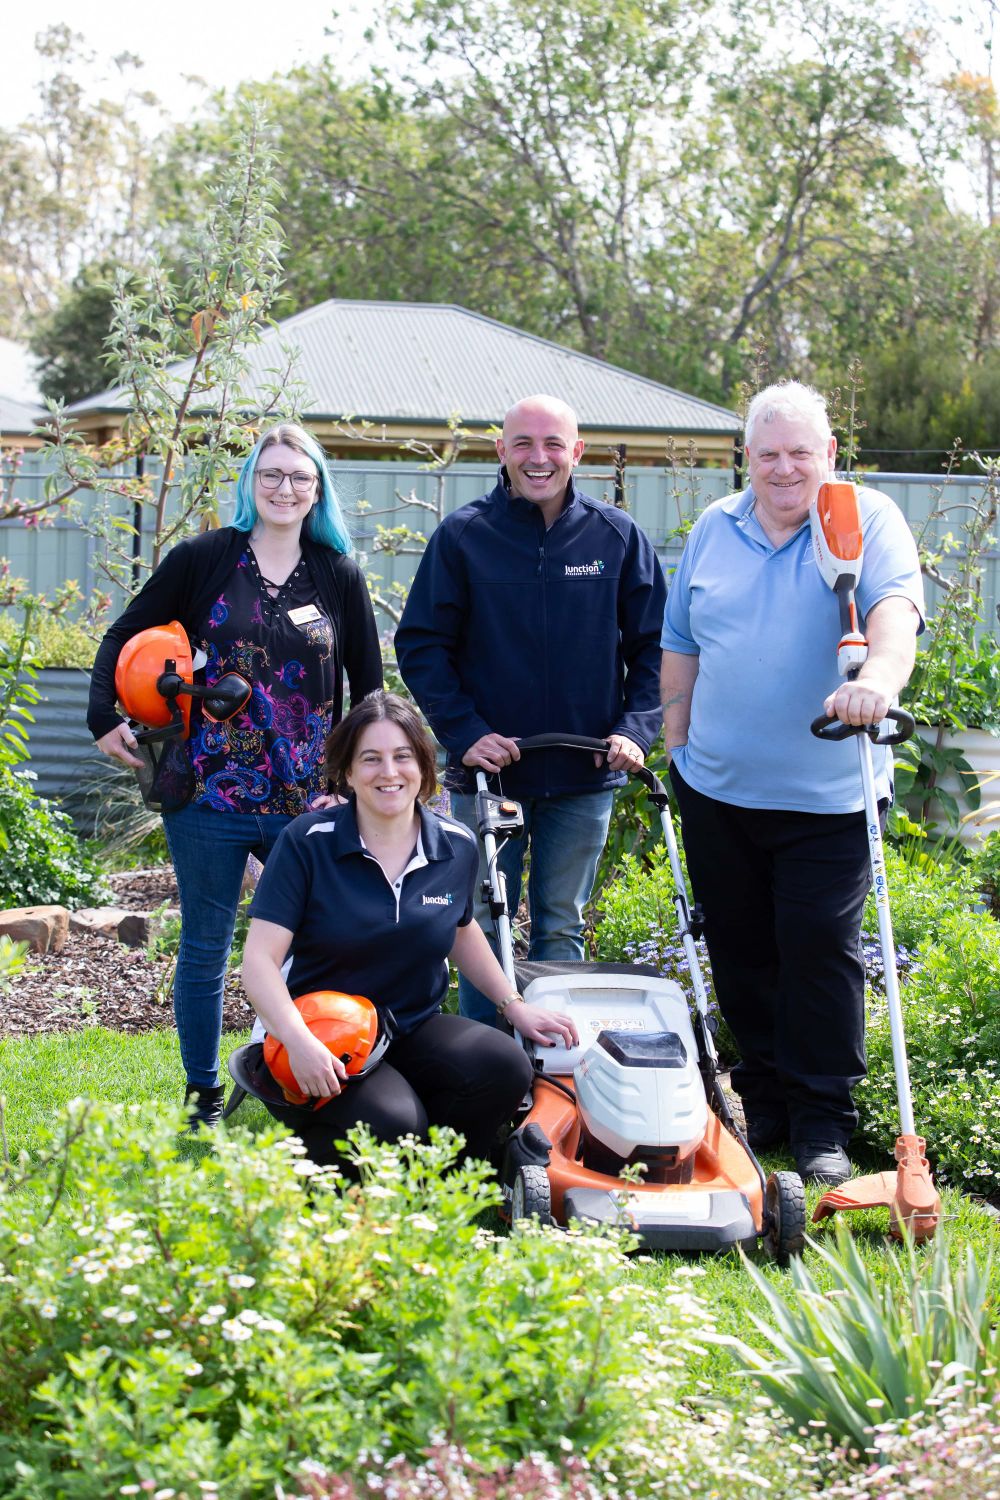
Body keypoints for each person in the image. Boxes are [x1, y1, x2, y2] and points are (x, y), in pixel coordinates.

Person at [659, 380, 924, 1186]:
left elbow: (895, 613)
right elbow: (681, 639)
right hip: (717, 789)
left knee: (817, 950)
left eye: (799, 453)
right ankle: (764, 1099)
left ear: (829, 455)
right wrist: (676, 741)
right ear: (746, 458)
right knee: (739, 948)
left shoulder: (863, 518)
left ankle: (821, 1121)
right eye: (766, 454)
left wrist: (876, 680)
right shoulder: (715, 526)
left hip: (827, 795)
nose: (782, 470)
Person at [88, 422, 383, 1127]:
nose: (286, 488)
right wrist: (103, 716)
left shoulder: (336, 573)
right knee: (205, 947)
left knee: (319, 944)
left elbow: (368, 688)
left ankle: (308, 1075)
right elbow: (122, 634)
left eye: (300, 478)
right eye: (273, 474)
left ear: (318, 491)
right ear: (252, 480)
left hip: (306, 801)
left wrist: (350, 779)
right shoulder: (205, 558)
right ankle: (202, 1097)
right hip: (206, 792)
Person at [394, 394, 666, 1023]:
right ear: (502, 451)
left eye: (552, 445)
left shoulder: (616, 537)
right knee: (481, 932)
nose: (538, 458)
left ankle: (551, 1079)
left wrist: (633, 731)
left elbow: (655, 648)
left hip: (586, 774)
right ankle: (485, 1080)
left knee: (561, 929)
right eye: (523, 444)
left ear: (576, 451)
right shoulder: (464, 537)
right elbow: (422, 643)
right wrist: (466, 733)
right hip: (490, 777)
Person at [240, 690, 578, 1167]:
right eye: (371, 759)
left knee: (505, 1065)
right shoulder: (308, 843)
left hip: (410, 1026)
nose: (389, 772)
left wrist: (514, 1005)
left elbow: (460, 929)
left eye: (403, 757)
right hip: (323, 1037)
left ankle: (446, 1179)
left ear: (423, 767)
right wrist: (299, 1042)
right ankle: (328, 1165)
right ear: (348, 772)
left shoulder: (456, 845)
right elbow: (258, 963)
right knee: (395, 1123)